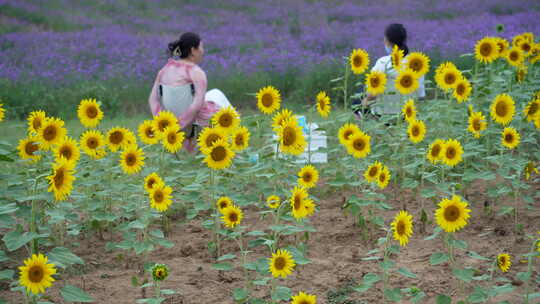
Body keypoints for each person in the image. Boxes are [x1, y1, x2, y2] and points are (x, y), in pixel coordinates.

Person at [148, 32, 231, 151]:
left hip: (171, 119)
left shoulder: (164, 70)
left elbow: (153, 100)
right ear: (193, 50)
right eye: (201, 47)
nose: (203, 51)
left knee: (215, 93)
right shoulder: (196, 72)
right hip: (196, 121)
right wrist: (179, 125)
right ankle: (236, 146)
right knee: (228, 110)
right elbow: (197, 105)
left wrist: (163, 123)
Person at [354, 23, 425, 119]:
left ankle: (365, 129)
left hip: (384, 114)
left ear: (387, 41)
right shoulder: (417, 64)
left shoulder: (383, 63)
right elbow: (420, 95)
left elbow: (372, 94)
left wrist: (362, 104)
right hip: (409, 113)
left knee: (357, 99)